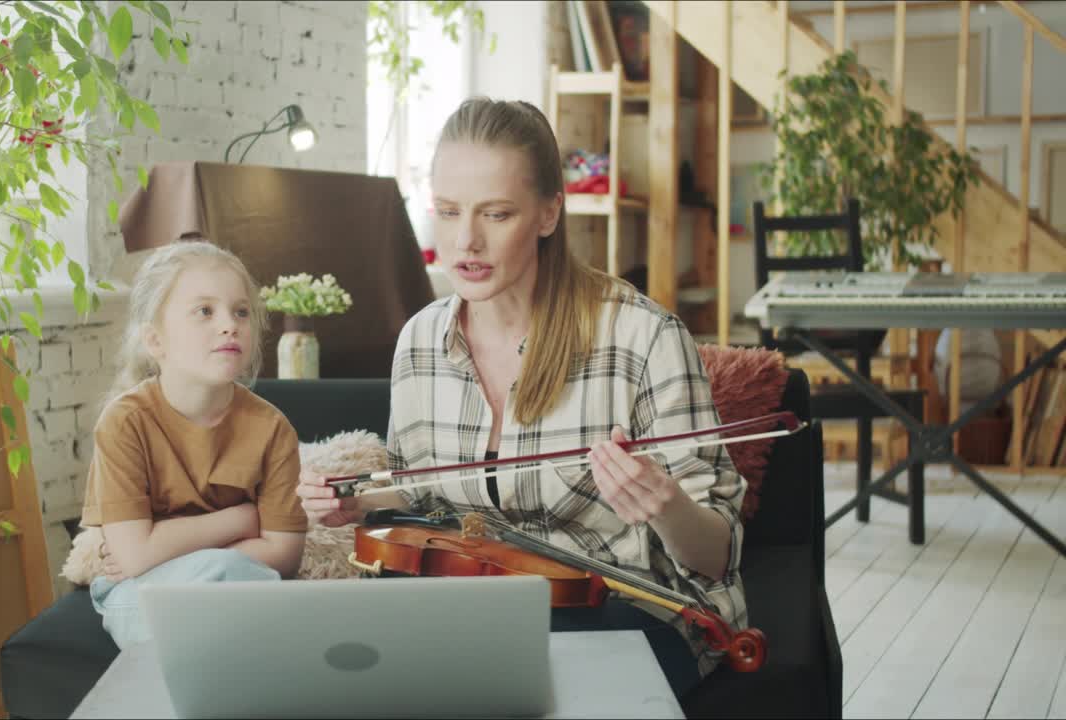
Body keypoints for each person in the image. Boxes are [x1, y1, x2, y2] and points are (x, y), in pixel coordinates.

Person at [297, 98, 747, 698]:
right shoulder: (420, 342)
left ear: (548, 213)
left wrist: (663, 505)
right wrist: (356, 501)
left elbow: (714, 557)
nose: (466, 240)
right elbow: (418, 495)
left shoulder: (643, 337)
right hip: (473, 603)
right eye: (449, 211)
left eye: (497, 214)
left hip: (623, 605)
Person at [81, 240, 308, 649]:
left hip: (240, 585)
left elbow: (285, 555)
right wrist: (241, 518)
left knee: (227, 578)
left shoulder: (272, 429)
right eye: (205, 311)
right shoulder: (124, 423)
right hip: (140, 595)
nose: (229, 324)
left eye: (241, 311)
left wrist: (166, 545)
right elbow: (134, 559)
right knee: (222, 582)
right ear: (155, 341)